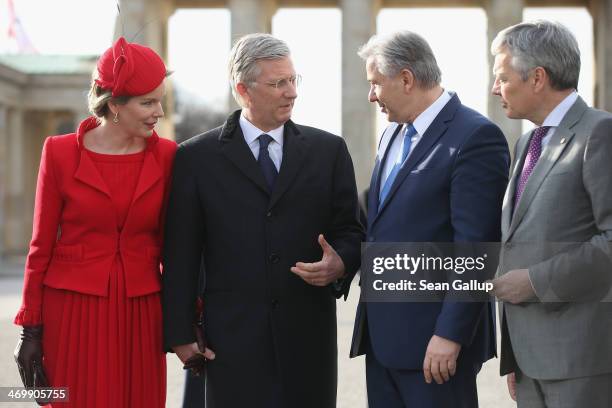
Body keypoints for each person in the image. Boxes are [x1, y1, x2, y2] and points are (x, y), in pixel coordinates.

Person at [162, 33, 363, 408]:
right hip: (229, 343)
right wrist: (179, 332)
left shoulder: (329, 151)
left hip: (308, 341)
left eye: (292, 80)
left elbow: (352, 229)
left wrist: (341, 262)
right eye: (277, 83)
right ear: (243, 89)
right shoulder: (195, 158)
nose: (291, 92)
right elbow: (180, 253)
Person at [350, 31, 510, 408]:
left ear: (406, 79)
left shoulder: (475, 137)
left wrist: (450, 335)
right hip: (383, 342)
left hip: (434, 349)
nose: (371, 96)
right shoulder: (390, 135)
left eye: (375, 84)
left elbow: (475, 249)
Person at [13, 37, 176, 407]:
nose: (159, 112)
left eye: (159, 100)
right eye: (148, 102)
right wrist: (31, 331)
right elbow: (40, 246)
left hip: (141, 311)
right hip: (71, 311)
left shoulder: (168, 156)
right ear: (114, 104)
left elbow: (176, 246)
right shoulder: (58, 152)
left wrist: (191, 316)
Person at [490, 20, 612, 408]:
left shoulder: (600, 132)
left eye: (503, 77)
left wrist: (535, 283)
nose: (495, 88)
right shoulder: (527, 142)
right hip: (528, 361)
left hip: (581, 361)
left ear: (537, 77)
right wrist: (515, 356)